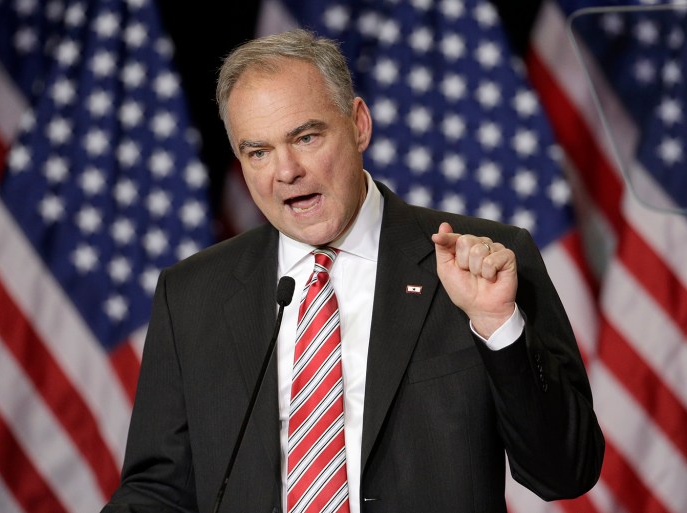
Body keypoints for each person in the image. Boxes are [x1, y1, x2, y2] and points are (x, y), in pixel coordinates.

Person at [101, 28, 604, 513]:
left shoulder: (484, 262)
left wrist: (498, 327)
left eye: (305, 137)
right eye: (258, 152)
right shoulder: (192, 293)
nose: (285, 171)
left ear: (358, 124)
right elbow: (159, 492)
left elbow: (565, 473)